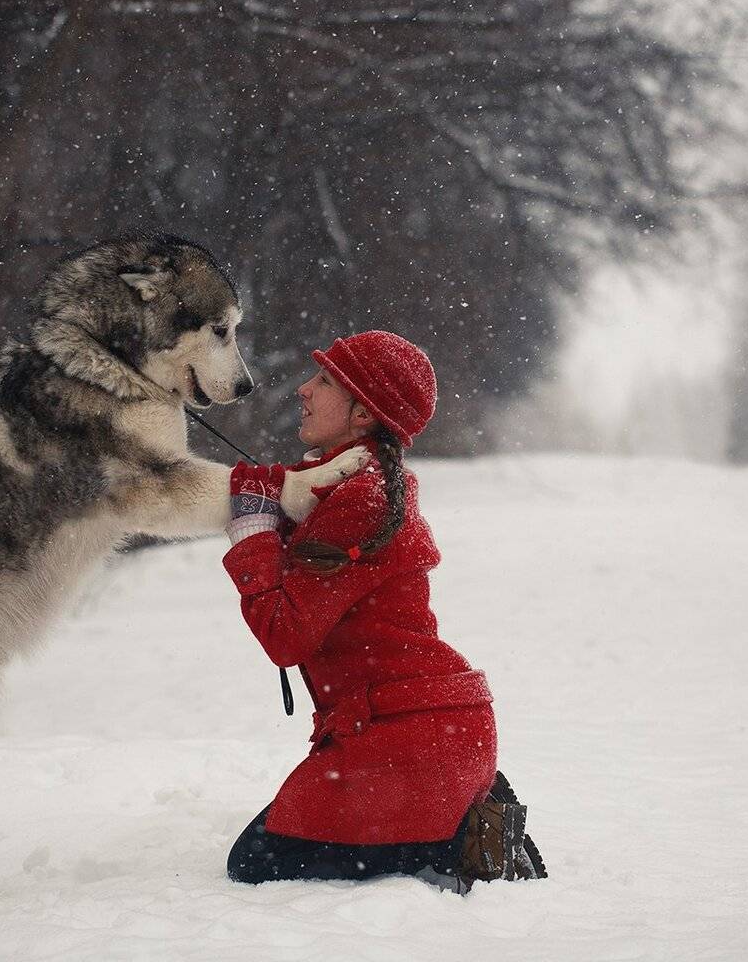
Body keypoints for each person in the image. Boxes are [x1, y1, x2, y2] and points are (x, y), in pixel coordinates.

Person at [220, 330, 544, 893]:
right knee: (270, 849)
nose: (304, 389)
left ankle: (447, 835)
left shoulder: (363, 499)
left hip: (408, 739)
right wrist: (262, 492)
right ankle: (453, 806)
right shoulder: (362, 483)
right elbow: (295, 493)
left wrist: (251, 533)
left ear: (363, 414)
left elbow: (286, 635)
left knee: (254, 864)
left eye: (323, 381)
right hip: (425, 728)